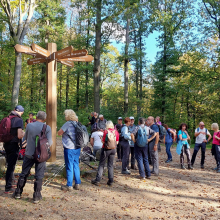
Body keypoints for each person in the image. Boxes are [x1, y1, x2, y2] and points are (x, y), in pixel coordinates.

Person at [14, 111, 52, 203]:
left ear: (36, 117)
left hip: (29, 153)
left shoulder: (30, 126)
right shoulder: (47, 127)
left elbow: (25, 138)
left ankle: (18, 193)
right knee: (39, 175)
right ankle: (36, 196)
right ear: (45, 119)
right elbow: (50, 143)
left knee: (24, 173)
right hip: (41, 155)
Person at [57, 109, 81, 191]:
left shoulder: (67, 124)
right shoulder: (77, 123)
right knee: (76, 165)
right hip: (77, 147)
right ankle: (77, 184)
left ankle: (69, 185)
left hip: (69, 148)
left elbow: (59, 133)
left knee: (69, 166)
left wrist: (59, 130)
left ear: (68, 116)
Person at [3, 105, 25, 194]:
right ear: (21, 112)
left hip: (6, 144)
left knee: (9, 164)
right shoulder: (19, 120)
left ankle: (10, 181)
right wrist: (24, 133)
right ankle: (8, 187)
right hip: (13, 144)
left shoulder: (8, 118)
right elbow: (19, 135)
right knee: (11, 166)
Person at [91, 121, 119, 186]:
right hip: (113, 150)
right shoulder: (116, 132)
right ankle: (111, 181)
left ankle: (97, 180)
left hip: (106, 149)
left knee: (101, 164)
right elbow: (117, 142)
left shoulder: (106, 132)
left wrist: (101, 139)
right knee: (110, 165)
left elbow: (103, 142)